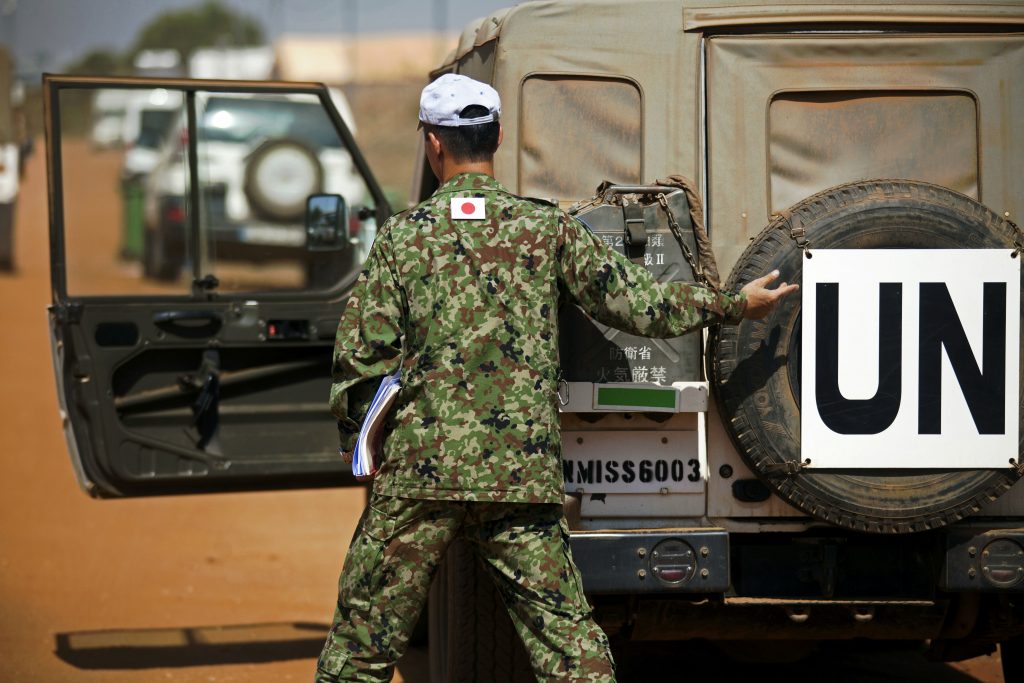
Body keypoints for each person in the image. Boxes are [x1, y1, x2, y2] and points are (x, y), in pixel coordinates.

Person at [315, 73, 797, 683]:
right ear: (495, 139)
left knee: (360, 649)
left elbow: (361, 360)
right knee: (570, 651)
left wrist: (367, 443)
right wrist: (732, 303)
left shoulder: (400, 239)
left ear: (434, 144)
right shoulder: (546, 229)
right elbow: (639, 305)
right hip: (519, 476)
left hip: (419, 477)